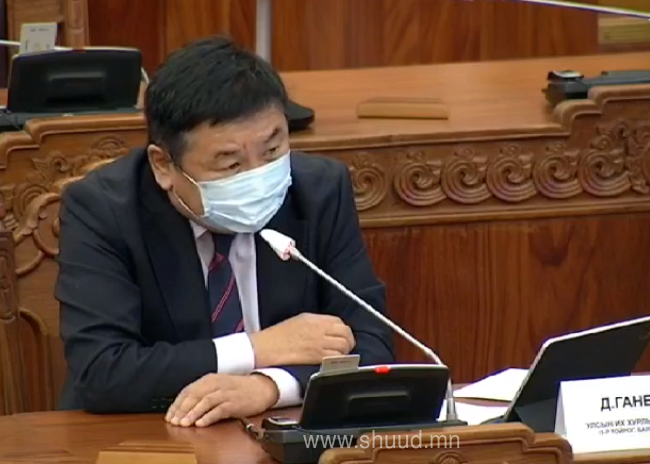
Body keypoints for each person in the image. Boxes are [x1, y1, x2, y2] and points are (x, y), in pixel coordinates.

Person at [55, 36, 395, 427]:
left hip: (283, 430)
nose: (258, 177)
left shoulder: (318, 190)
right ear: (163, 166)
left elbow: (372, 342)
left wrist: (269, 386)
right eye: (230, 165)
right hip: (147, 435)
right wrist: (256, 349)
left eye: (272, 151)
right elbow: (103, 371)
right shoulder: (103, 210)